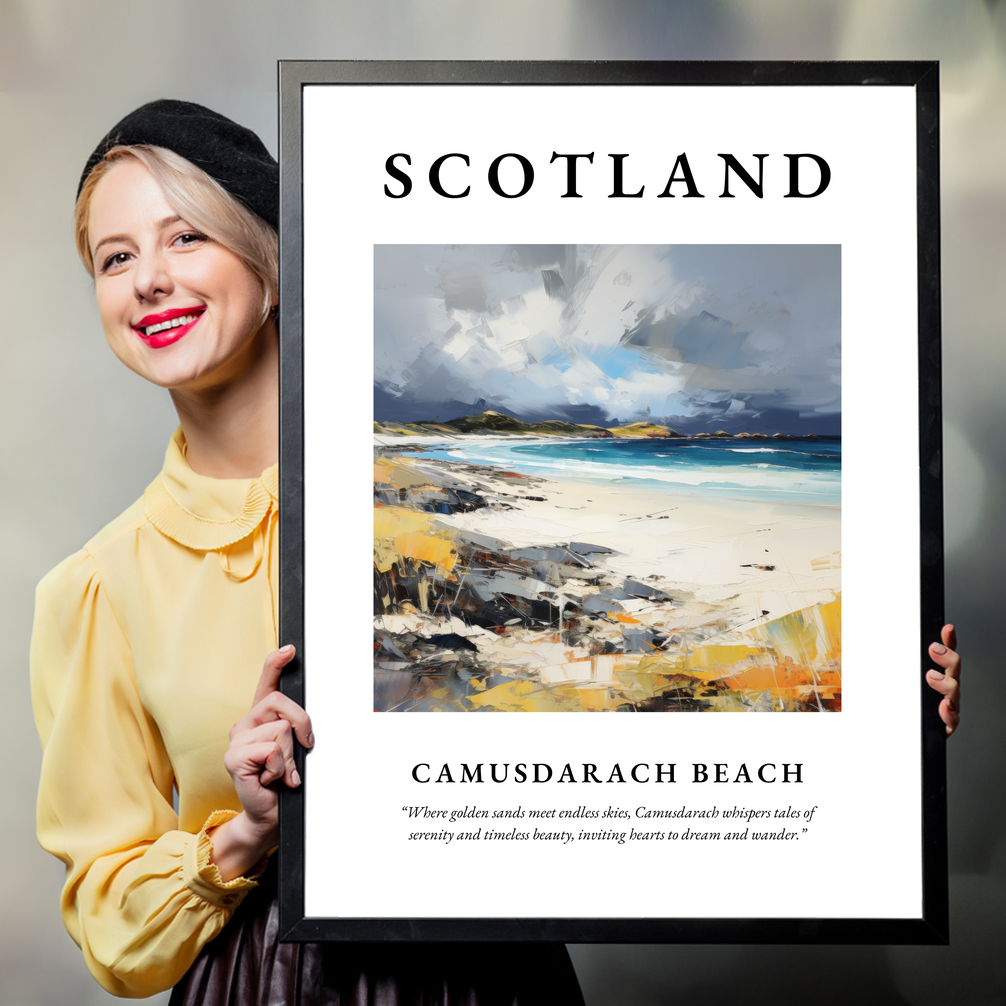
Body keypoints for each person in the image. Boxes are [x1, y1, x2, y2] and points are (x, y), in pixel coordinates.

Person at [30, 100, 585, 1004]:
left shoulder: (446, 499)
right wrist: (245, 832)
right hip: (263, 981)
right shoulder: (97, 587)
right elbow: (110, 925)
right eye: (116, 257)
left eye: (186, 239)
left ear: (273, 264)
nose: (148, 281)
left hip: (492, 973)